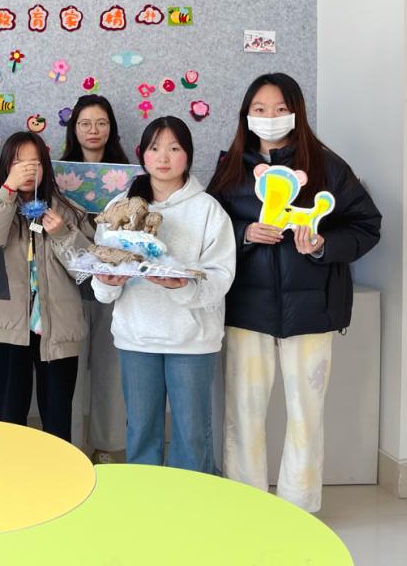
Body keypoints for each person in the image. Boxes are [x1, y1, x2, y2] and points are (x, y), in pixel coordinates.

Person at [207, 72, 381, 511]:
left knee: (306, 413)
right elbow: (207, 228)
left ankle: (299, 507)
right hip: (246, 309)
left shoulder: (327, 166)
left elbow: (367, 225)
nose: (270, 117)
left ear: (297, 112)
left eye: (280, 109)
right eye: (260, 109)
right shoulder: (230, 168)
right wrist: (245, 233)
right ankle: (246, 505)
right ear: (246, 115)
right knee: (243, 411)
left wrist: (323, 245)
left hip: (311, 310)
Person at [92, 116, 235, 473]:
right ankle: (146, 502)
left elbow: (221, 277)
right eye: (155, 148)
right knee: (141, 432)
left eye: (174, 148)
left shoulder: (208, 209)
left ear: (188, 155)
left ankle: (192, 503)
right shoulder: (120, 206)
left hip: (192, 340)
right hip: (136, 337)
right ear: (142, 154)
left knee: (192, 435)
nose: (164, 157)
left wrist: (183, 286)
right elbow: (103, 276)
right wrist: (109, 281)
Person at [0, 131, 91, 441]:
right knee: (10, 415)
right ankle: (12, 468)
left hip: (58, 329)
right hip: (8, 327)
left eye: (33, 162)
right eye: (17, 162)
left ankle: (60, 468)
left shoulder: (66, 210)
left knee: (58, 416)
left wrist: (62, 233)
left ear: (45, 167)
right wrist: (7, 191)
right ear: (6, 167)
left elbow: (85, 268)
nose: (26, 169)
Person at [60, 94, 131, 462]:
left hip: (114, 287)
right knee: (68, 373)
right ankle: (70, 451)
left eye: (101, 123)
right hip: (68, 287)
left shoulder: (130, 179)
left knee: (110, 372)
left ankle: (108, 447)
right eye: (85, 123)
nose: (93, 130)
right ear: (74, 129)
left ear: (111, 128)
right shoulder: (56, 176)